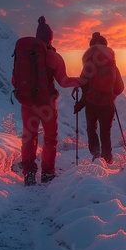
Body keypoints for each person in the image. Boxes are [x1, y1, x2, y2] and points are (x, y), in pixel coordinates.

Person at [14, 16, 82, 186]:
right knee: (50, 138)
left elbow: (14, 81)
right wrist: (80, 81)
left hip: (28, 103)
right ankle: (47, 173)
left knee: (29, 137)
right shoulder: (54, 57)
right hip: (47, 105)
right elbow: (64, 82)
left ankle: (29, 172)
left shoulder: (24, 55)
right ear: (51, 38)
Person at [74, 32, 124, 164]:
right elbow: (120, 87)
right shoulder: (113, 67)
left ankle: (96, 156)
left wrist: (80, 104)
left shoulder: (88, 66)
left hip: (91, 104)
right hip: (107, 105)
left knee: (91, 129)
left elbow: (83, 87)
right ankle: (107, 158)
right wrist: (111, 96)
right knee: (105, 132)